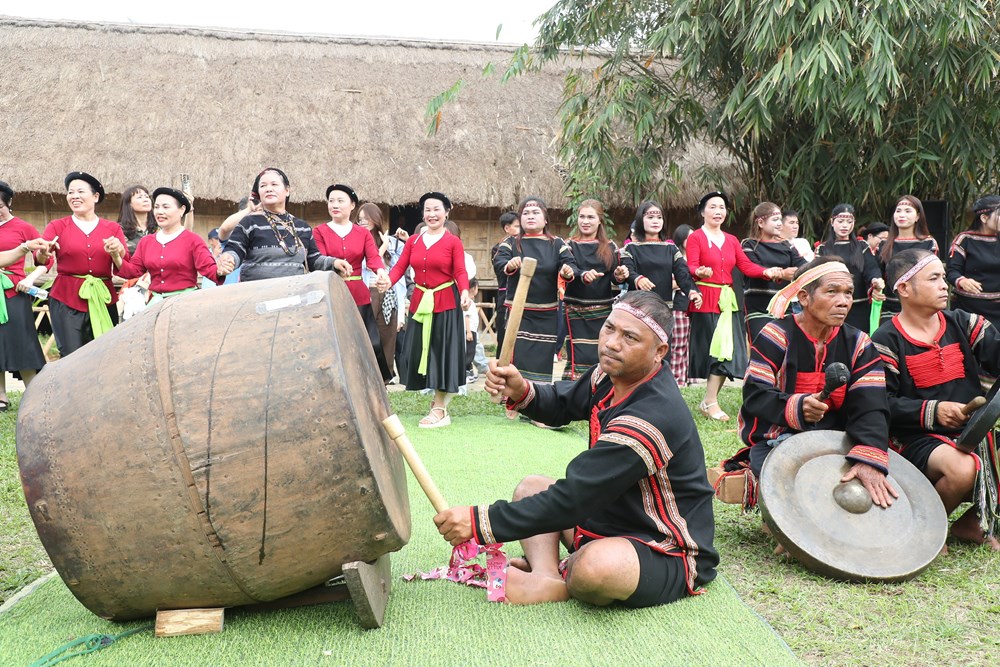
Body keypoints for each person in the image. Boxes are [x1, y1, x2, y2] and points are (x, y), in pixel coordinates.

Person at [433, 291, 718, 606]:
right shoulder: (609, 375)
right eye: (609, 328)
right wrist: (521, 389)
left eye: (630, 337)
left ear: (659, 351)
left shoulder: (651, 416)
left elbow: (573, 498)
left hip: (664, 547)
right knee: (531, 487)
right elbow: (563, 403)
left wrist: (478, 523)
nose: (611, 342)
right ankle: (547, 576)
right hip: (604, 521)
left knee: (593, 569)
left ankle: (567, 576)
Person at [728, 256, 896, 511]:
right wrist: (797, 406)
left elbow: (871, 405)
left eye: (849, 292)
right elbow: (755, 396)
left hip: (837, 440)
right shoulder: (776, 335)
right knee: (786, 486)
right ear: (804, 297)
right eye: (832, 292)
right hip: (779, 438)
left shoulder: (860, 344)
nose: (844, 301)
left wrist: (868, 456)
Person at [872, 249, 1000, 550]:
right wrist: (934, 411)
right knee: (962, 468)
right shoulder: (886, 340)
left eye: (944, 277)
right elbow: (879, 403)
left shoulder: (964, 323)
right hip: (914, 438)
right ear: (904, 288)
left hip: (971, 435)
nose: (945, 285)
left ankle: (970, 523)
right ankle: (927, 526)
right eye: (934, 278)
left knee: (969, 460)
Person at [687, 191, 786, 421]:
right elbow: (690, 265)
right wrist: (698, 271)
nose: (718, 212)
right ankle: (710, 401)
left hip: (728, 301)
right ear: (703, 212)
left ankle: (710, 400)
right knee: (714, 352)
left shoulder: (731, 240)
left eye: (721, 207)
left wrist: (765, 271)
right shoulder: (696, 238)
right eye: (712, 207)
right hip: (706, 299)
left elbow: (745, 265)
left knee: (728, 352)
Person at [387, 191, 470, 427]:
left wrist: (464, 291)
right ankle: (436, 402)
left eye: (436, 209)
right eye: (427, 210)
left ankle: (440, 408)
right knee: (420, 351)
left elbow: (460, 272)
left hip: (445, 302)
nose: (431, 214)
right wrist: (387, 281)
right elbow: (400, 267)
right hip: (421, 302)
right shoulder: (413, 241)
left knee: (442, 353)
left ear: (446, 212)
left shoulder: (453, 241)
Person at [38, 172, 129, 356]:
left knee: (104, 354)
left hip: (103, 297)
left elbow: (125, 266)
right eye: (71, 192)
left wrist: (118, 251)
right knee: (72, 355)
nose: (74, 196)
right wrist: (42, 251)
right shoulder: (57, 226)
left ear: (95, 197)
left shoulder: (112, 228)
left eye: (80, 191)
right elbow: (42, 259)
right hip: (66, 297)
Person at [492, 196, 578, 383]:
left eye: (536, 212)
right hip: (517, 311)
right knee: (516, 352)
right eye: (526, 213)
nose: (530, 216)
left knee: (541, 355)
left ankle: (537, 397)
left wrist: (567, 271)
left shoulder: (556, 244)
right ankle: (512, 395)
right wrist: (510, 264)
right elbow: (499, 261)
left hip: (546, 312)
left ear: (545, 219)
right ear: (521, 219)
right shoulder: (511, 242)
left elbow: (571, 265)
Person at [312, 184, 392, 382]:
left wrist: (381, 272)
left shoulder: (362, 233)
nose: (335, 205)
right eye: (331, 201)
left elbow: (373, 258)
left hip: (358, 294)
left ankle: (372, 381)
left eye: (340, 201)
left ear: (352, 205)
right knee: (334, 342)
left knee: (367, 341)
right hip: (331, 292)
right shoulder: (320, 231)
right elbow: (318, 260)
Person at [112, 188, 231, 303]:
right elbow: (134, 271)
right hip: (156, 303)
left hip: (185, 302)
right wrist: (115, 256)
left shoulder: (193, 240)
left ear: (182, 210)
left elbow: (209, 268)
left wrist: (220, 271)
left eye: (166, 207)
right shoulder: (146, 242)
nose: (159, 212)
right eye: (156, 207)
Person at [221, 168, 340, 281]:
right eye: (263, 186)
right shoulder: (249, 223)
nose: (268, 189)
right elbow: (235, 250)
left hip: (292, 295)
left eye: (274, 184)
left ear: (287, 190)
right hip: (256, 296)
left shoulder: (302, 227)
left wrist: (334, 263)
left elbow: (313, 260)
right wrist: (229, 259)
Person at [562, 199, 629, 380]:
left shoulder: (610, 247)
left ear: (599, 220)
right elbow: (570, 268)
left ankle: (600, 387)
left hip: (603, 310)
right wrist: (582, 274)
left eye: (590, 217)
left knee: (601, 350)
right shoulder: (568, 245)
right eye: (582, 217)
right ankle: (575, 388)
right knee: (578, 353)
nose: (585, 221)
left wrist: (620, 274)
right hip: (575, 309)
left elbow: (615, 276)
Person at [0, 181, 53, 407]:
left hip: (13, 289)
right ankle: (1, 395)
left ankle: (34, 393)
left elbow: (46, 260)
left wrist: (29, 278)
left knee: (22, 340)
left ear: (9, 203)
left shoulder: (23, 228)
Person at [816, 203, 885, 333]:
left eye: (849, 222)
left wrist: (875, 281)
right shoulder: (823, 249)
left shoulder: (861, 246)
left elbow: (871, 268)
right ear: (832, 222)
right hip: (832, 305)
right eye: (840, 221)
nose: (845, 225)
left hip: (859, 305)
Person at [740, 202, 804, 342]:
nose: (779, 224)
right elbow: (753, 268)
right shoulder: (748, 244)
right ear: (761, 223)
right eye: (775, 220)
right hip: (758, 308)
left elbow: (803, 266)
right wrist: (781, 274)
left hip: (783, 307)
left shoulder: (787, 245)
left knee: (787, 352)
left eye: (780, 220)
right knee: (762, 351)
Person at [358, 202, 407, 380]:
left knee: (387, 339)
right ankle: (366, 378)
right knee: (367, 339)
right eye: (360, 219)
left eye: (367, 218)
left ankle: (384, 381)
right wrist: (382, 249)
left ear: (376, 219)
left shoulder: (393, 243)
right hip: (366, 293)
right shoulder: (358, 240)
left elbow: (401, 272)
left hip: (388, 295)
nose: (363, 222)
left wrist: (404, 241)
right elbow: (366, 265)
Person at [876, 195, 939, 323]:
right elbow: (878, 272)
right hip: (890, 305)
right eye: (898, 211)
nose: (901, 215)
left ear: (917, 217)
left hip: (920, 304)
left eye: (907, 211)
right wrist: (875, 287)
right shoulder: (884, 244)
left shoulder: (928, 243)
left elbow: (932, 275)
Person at [947, 195, 1000, 328]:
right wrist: (962, 281)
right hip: (969, 309)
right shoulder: (964, 239)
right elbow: (952, 272)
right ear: (984, 218)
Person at [670, 224, 697, 386]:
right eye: (690, 238)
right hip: (680, 306)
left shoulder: (696, 258)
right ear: (681, 240)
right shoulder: (675, 257)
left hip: (696, 307)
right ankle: (676, 380)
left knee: (691, 346)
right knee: (678, 346)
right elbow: (669, 283)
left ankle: (690, 379)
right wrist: (686, 284)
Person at [491, 211, 520, 354]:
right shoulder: (499, 248)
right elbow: (501, 270)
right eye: (517, 226)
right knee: (504, 336)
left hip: (524, 297)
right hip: (506, 296)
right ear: (507, 228)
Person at [117, 185, 155, 255]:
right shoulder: (119, 230)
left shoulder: (159, 228)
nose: (146, 200)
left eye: (147, 197)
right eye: (139, 197)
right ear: (129, 204)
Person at [464, 278, 481, 383]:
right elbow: (466, 317)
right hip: (469, 332)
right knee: (469, 353)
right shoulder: (468, 302)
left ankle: (470, 373)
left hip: (472, 331)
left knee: (471, 352)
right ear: (473, 288)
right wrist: (469, 331)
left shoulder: (470, 301)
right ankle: (465, 375)